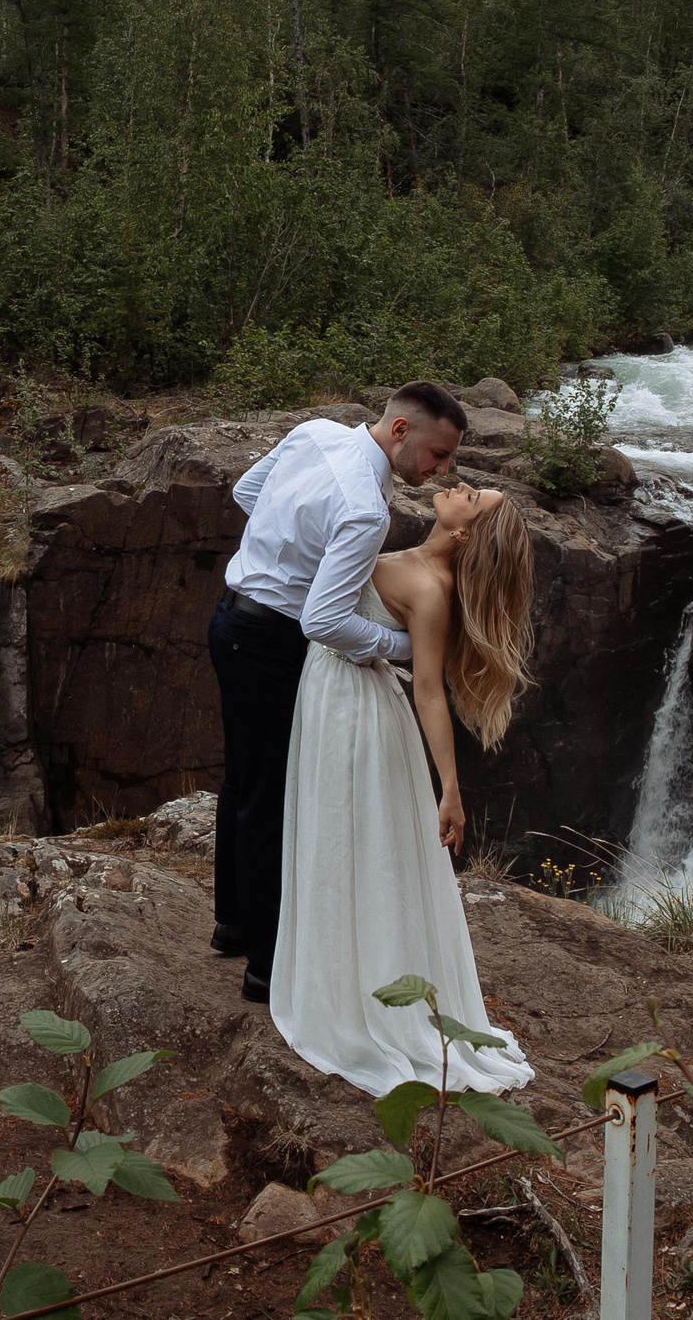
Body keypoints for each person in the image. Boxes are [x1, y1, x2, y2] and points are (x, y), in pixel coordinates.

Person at [268, 482, 538, 1097]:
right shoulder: (412, 558)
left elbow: (430, 691)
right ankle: (332, 977)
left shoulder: (430, 588)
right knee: (333, 839)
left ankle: (358, 998)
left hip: (357, 713)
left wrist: (450, 789)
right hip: (332, 691)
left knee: (349, 845)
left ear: (465, 533)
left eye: (474, 497)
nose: (462, 485)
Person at [208, 383, 465, 1004]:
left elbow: (247, 492)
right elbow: (322, 620)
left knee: (243, 779)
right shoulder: (366, 508)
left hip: (230, 618)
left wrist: (287, 544)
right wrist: (400, 646)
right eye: (437, 455)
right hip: (271, 640)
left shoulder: (315, 432)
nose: (441, 471)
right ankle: (265, 968)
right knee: (271, 797)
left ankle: (232, 925)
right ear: (400, 430)